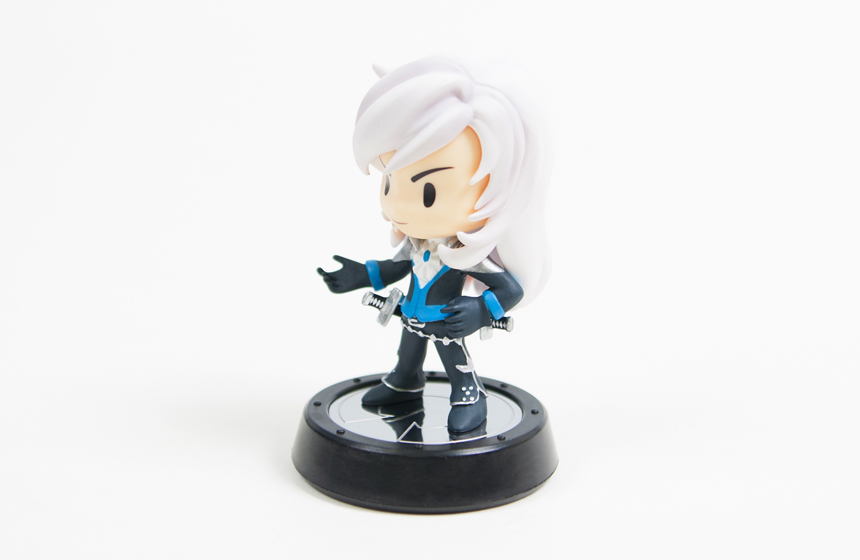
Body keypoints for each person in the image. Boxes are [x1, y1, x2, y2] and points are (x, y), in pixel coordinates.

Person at [318, 56, 550, 433]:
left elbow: (510, 289)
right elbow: (396, 267)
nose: (398, 206)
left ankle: (469, 394)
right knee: (408, 351)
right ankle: (404, 381)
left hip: (446, 322)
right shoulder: (417, 244)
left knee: (453, 357)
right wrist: (360, 275)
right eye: (389, 183)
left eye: (428, 191)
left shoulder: (464, 255)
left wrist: (479, 311)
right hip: (411, 314)